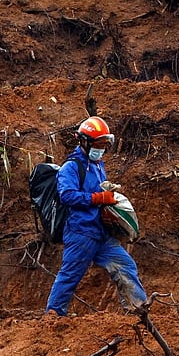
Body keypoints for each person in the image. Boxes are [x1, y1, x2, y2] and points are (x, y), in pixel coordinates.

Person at [44, 116, 147, 316]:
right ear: (84, 141)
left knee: (125, 264)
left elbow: (99, 194)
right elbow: (67, 195)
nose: (102, 149)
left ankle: (138, 311)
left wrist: (108, 210)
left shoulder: (98, 165)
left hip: (100, 232)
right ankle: (53, 317)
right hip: (81, 232)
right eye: (98, 144)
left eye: (104, 144)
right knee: (70, 276)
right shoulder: (71, 167)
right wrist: (99, 198)